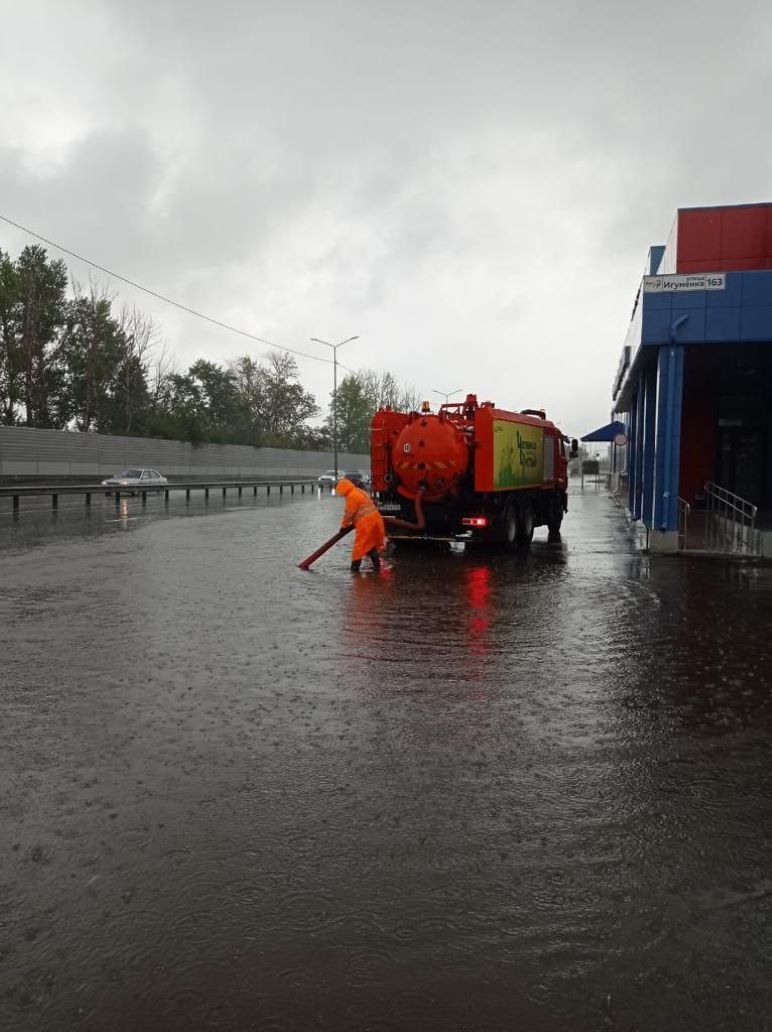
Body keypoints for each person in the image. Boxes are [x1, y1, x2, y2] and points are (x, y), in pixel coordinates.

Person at [335, 477, 386, 572]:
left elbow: (349, 513)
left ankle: (354, 570)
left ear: (342, 489)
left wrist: (343, 526)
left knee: (359, 546)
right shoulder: (358, 491)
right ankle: (377, 568)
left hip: (366, 523)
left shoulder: (352, 496)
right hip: (376, 520)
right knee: (370, 544)